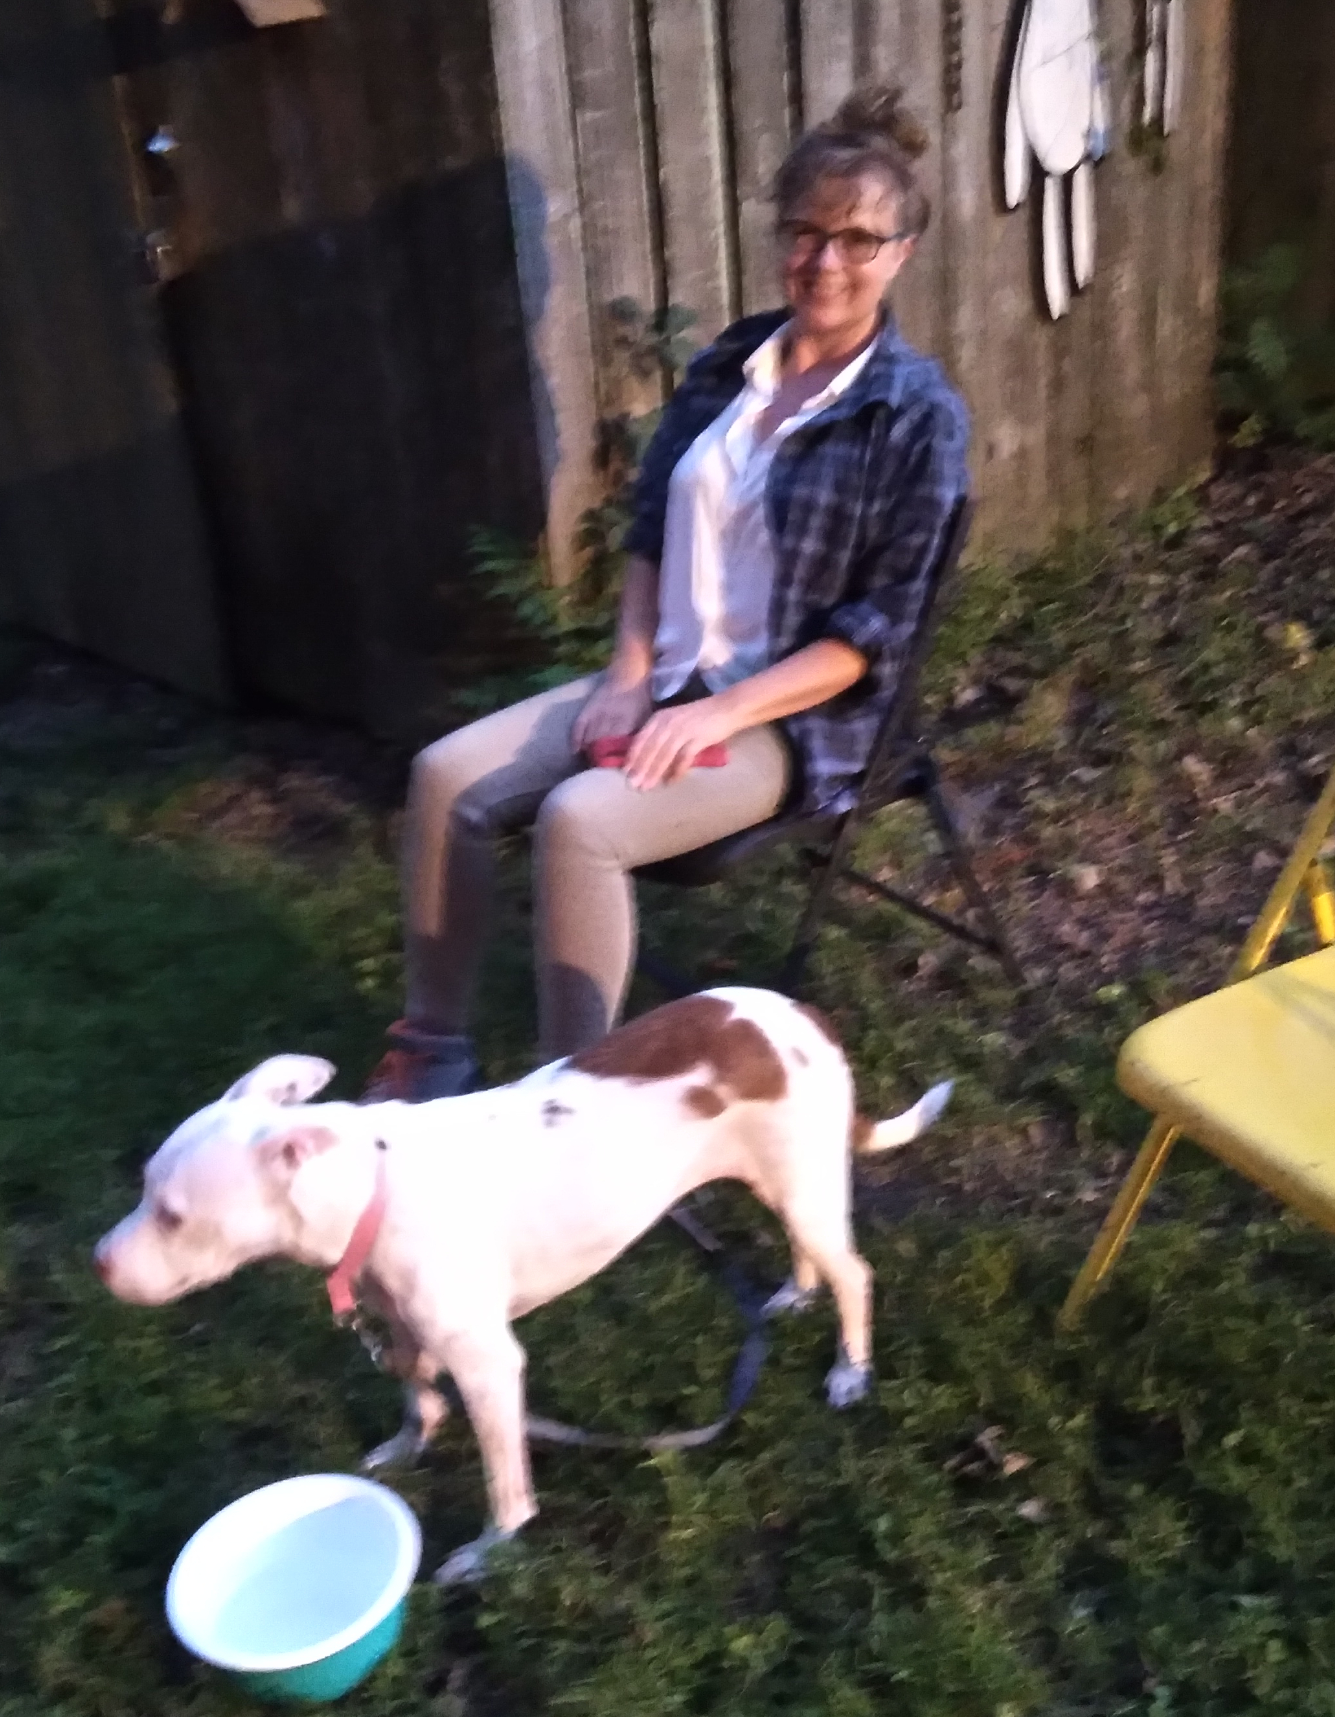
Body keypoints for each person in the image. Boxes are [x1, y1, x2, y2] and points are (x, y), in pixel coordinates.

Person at [364, 82, 971, 1102]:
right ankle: (431, 1058)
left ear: (900, 251)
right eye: (806, 232)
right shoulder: (726, 364)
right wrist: (628, 671)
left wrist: (715, 716)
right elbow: (649, 531)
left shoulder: (915, 417)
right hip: (669, 676)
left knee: (580, 820)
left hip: (790, 719)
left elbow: (875, 634)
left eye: (857, 239)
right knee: (441, 777)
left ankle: (571, 1115)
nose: (825, 261)